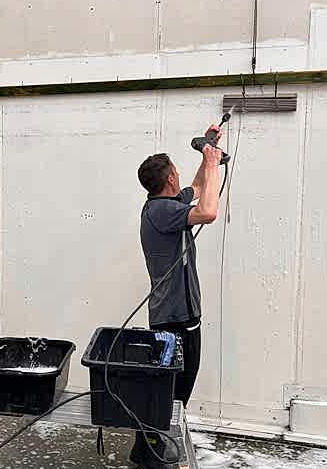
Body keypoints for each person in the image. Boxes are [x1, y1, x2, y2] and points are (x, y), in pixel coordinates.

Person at [131, 126, 223, 468]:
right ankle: (153, 454)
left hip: (178, 316)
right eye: (176, 171)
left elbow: (197, 188)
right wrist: (213, 164)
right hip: (175, 319)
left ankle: (145, 449)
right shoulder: (161, 212)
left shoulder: (164, 205)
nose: (180, 174)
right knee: (174, 393)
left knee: (167, 392)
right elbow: (209, 211)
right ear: (170, 178)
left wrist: (208, 148)